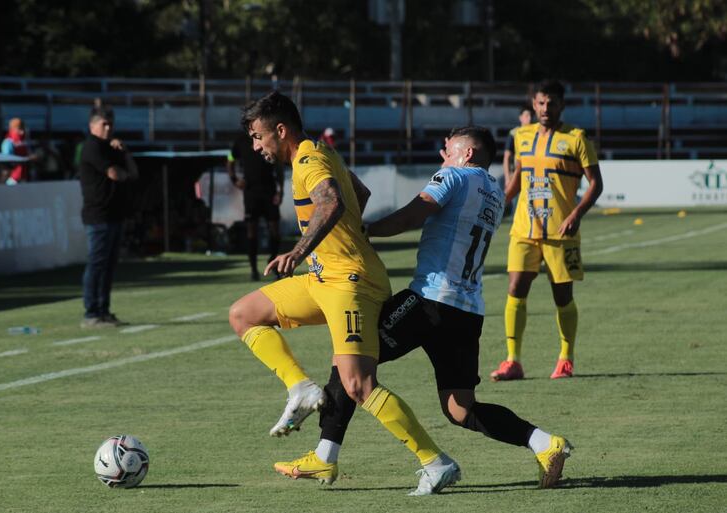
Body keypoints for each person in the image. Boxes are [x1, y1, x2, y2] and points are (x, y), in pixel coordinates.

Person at [274, 126, 573, 489]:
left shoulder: (453, 175)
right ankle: (544, 442)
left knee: (350, 361)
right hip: (468, 311)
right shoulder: (494, 191)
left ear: (467, 154)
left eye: (448, 148)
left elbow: (414, 215)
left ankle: (325, 456)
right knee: (460, 409)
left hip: (430, 301)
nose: (442, 154)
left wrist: (365, 231)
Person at [228, 91, 460, 496]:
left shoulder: (308, 158)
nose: (255, 146)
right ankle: (300, 388)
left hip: (351, 282)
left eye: (258, 136)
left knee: (358, 384)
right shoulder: (320, 151)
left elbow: (333, 201)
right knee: (243, 314)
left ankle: (435, 461)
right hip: (324, 279)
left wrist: (299, 251)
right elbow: (360, 194)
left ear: (280, 130)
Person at [490, 80, 603, 381]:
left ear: (561, 105)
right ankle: (513, 360)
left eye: (551, 103)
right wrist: (502, 201)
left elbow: (596, 184)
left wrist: (577, 214)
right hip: (524, 228)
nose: (545, 108)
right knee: (515, 289)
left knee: (562, 296)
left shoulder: (577, 138)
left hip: (560, 231)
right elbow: (517, 177)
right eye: (540, 103)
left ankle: (566, 357)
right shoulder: (522, 136)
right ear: (533, 105)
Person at [79, 105, 138, 328]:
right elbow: (115, 174)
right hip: (98, 215)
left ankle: (103, 310)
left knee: (108, 266)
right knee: (96, 264)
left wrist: (124, 153)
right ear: (92, 125)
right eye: (103, 123)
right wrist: (121, 172)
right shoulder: (92, 147)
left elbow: (132, 174)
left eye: (110, 123)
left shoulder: (112, 147)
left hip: (114, 214)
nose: (108, 128)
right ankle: (91, 312)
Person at [227, 130, 284, 281]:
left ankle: (273, 262)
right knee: (251, 231)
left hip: (269, 191)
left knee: (275, 230)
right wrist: (234, 178)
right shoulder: (240, 141)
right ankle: (253, 269)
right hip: (251, 193)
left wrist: (281, 190)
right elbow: (230, 157)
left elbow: (278, 165)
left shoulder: (267, 137)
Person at [502, 106, 535, 216]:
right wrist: (507, 178)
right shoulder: (515, 133)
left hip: (532, 175)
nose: (529, 118)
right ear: (520, 118)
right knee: (518, 203)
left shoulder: (537, 132)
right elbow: (507, 157)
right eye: (526, 115)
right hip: (518, 174)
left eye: (531, 115)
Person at [0, 118, 32, 185]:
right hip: (13, 179)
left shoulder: (24, 142)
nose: (22, 132)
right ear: (13, 129)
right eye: (19, 129)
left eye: (23, 129)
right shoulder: (8, 142)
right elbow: (6, 161)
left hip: (24, 178)